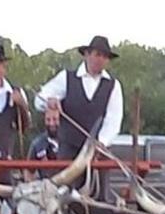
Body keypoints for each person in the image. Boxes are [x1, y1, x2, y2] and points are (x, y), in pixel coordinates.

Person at [35, 35, 123, 189]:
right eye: (97, 54)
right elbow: (39, 99)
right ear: (87, 54)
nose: (100, 59)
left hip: (97, 153)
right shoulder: (67, 78)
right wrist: (50, 101)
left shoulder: (113, 85)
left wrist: (101, 143)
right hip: (69, 149)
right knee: (64, 193)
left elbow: (113, 120)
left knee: (97, 197)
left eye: (104, 56)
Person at [26, 112, 59, 180]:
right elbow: (29, 171)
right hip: (47, 186)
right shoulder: (37, 143)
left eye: (55, 119)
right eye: (48, 120)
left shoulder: (70, 142)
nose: (51, 123)